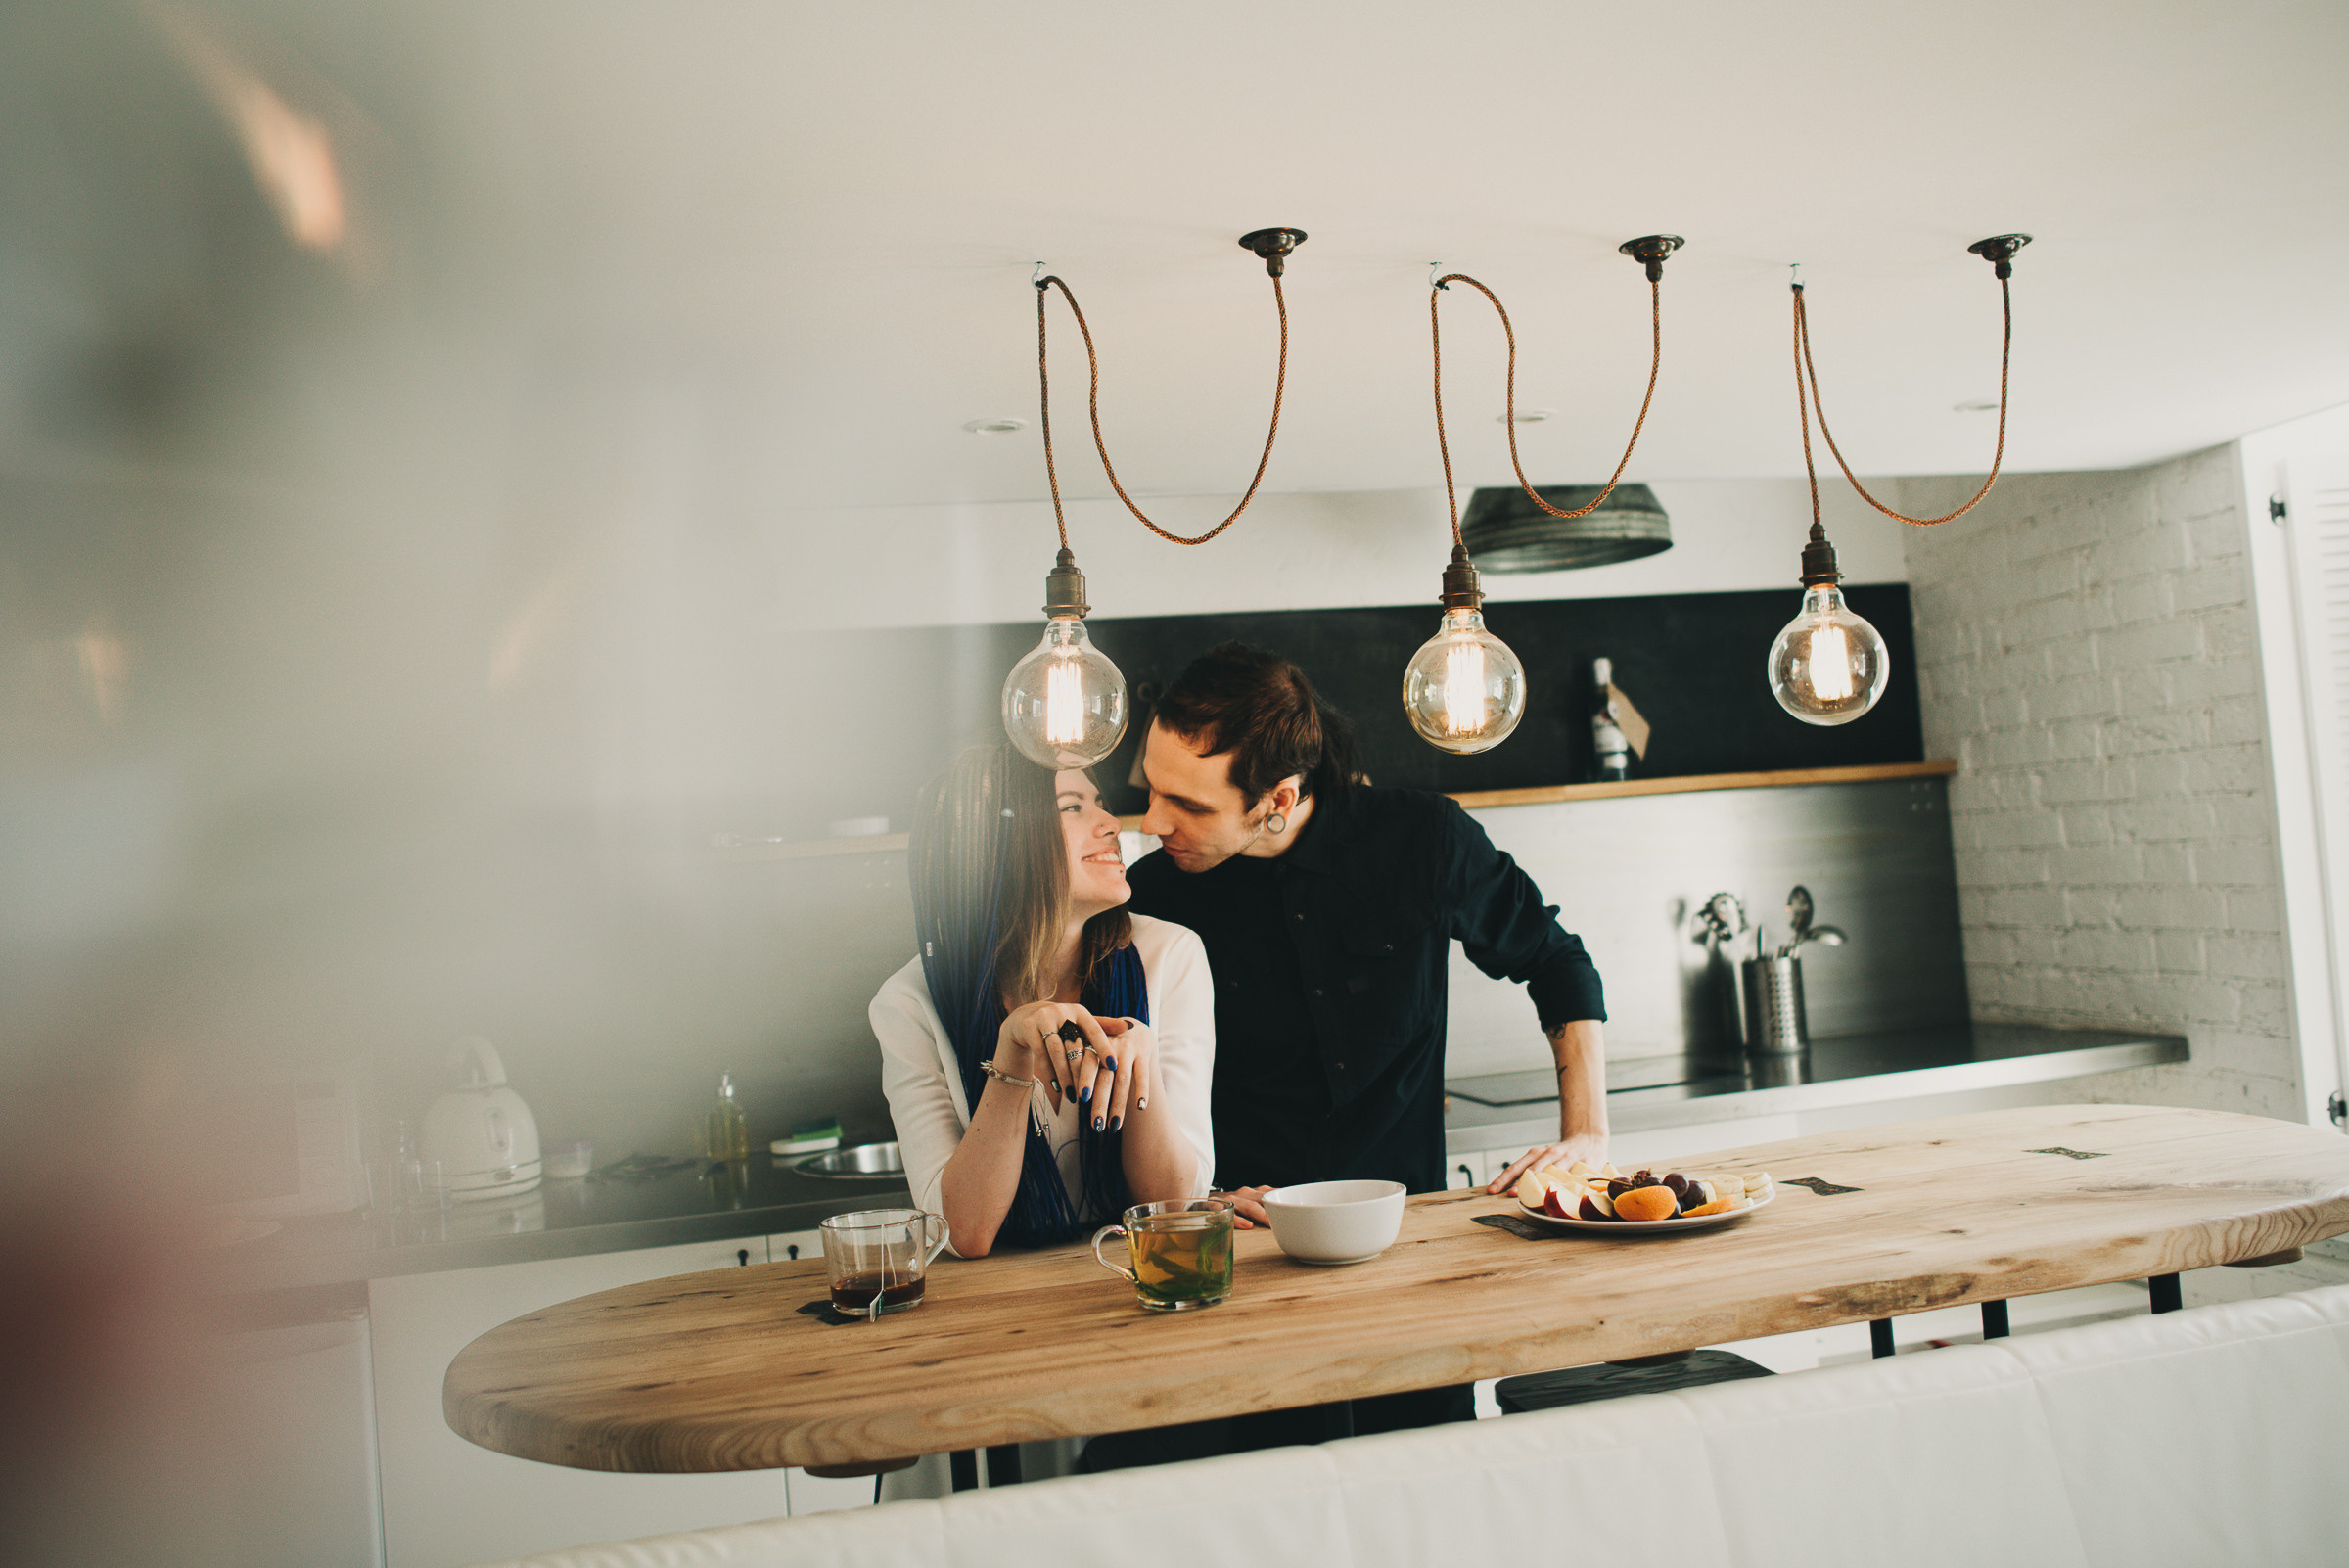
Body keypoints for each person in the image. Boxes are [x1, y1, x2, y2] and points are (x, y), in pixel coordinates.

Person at [1121, 640, 1607, 1442]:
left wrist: (1586, 1134)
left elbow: (1557, 963)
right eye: (1153, 789)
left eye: (1192, 806)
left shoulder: (1422, 841)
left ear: (1278, 797)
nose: (1154, 822)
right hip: (1241, 1274)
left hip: (1408, 1270)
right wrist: (1184, 1199)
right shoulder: (1156, 902)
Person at [870, 745, 1215, 1260]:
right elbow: (961, 1233)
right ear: (997, 845)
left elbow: (1175, 1209)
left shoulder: (1170, 956)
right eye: (1073, 807)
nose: (1111, 823)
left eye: (1098, 802)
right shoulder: (909, 1004)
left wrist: (1141, 1066)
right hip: (1000, 1314)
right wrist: (1010, 1059)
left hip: (1137, 1285)